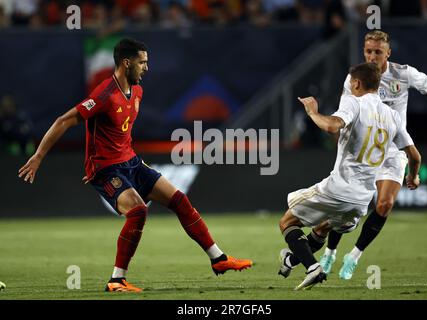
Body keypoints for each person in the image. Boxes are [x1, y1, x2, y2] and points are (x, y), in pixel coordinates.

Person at [18, 38, 252, 292]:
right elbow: (64, 120)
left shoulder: (137, 91)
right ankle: (117, 280)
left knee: (180, 200)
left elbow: (118, 132)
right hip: (107, 170)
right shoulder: (104, 94)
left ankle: (218, 259)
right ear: (126, 63)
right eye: (142, 62)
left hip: (131, 162)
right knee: (138, 212)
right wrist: (39, 156)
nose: (146, 68)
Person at [317, 30, 427, 280]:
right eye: (368, 51)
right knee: (348, 207)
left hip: (393, 148)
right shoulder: (354, 78)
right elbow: (347, 111)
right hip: (364, 147)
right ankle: (330, 252)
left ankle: (353, 256)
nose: (372, 56)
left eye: (378, 51)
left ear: (388, 53)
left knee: (385, 204)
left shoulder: (404, 74)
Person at [278, 62, 421, 290]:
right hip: (362, 202)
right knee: (322, 228)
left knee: (286, 222)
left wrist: (313, 112)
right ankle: (290, 260)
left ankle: (314, 268)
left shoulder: (353, 102)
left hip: (338, 188)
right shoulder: (393, 116)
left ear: (355, 83)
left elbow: (332, 126)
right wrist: (413, 177)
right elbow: (414, 156)